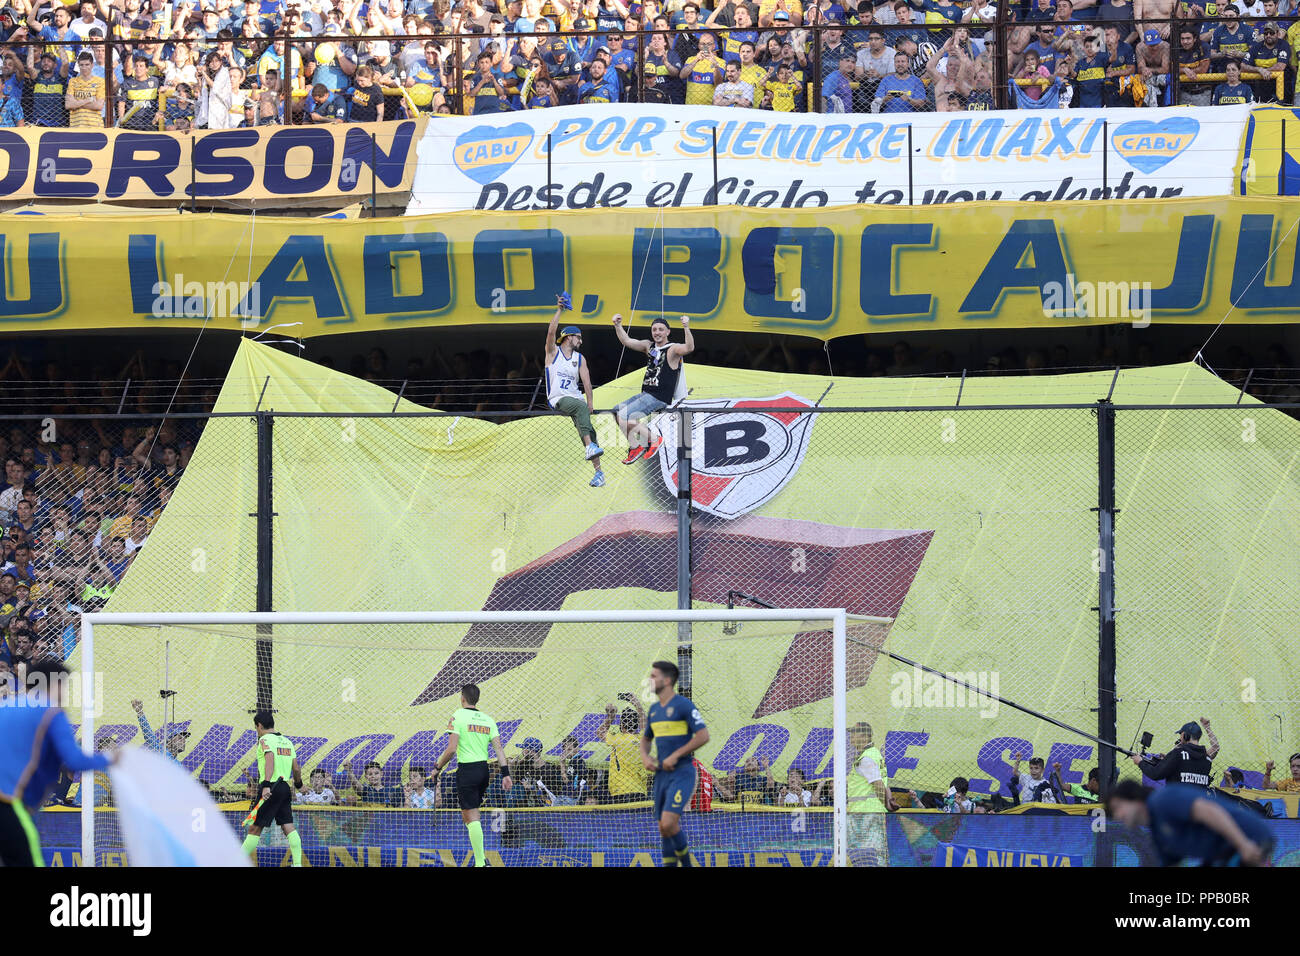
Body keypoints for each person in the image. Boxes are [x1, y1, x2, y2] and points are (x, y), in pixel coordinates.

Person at [0, 660, 118, 866]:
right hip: (11, 803)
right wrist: (111, 758)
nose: (65, 692)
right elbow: (74, 760)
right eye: (64, 685)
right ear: (52, 684)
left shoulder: (5, 707)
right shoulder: (50, 712)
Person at [431, 682, 513, 867]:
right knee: (469, 816)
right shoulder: (488, 719)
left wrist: (438, 767)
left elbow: (451, 749)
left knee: (471, 816)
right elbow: (499, 749)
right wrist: (505, 774)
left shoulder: (457, 716)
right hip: (483, 771)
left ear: (462, 698)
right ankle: (480, 859)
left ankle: (479, 862)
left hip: (467, 770)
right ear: (477, 699)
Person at [1107, 780, 1274, 866]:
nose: (1116, 816)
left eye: (1118, 807)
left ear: (1135, 799)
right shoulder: (1157, 832)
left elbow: (1210, 811)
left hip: (1249, 839)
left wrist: (1244, 845)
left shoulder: (1162, 800)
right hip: (1224, 854)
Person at [640, 659, 709, 867]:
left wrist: (675, 755)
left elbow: (703, 735)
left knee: (670, 822)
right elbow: (645, 739)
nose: (650, 680)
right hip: (662, 775)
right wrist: (645, 757)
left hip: (682, 772)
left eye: (654, 676)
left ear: (667, 680)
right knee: (663, 828)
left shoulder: (683, 705)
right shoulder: (653, 710)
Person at [610, 313, 693, 464]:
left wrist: (686, 327)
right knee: (616, 412)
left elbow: (689, 347)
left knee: (625, 415)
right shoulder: (649, 346)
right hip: (647, 393)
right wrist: (617, 325)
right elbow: (626, 340)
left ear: (668, 332)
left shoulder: (672, 349)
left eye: (661, 329)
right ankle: (636, 447)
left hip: (659, 396)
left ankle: (654, 440)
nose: (657, 332)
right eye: (654, 329)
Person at [545, 296, 604, 487]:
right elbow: (551, 331)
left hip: (576, 398)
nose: (581, 340)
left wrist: (591, 402)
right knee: (580, 407)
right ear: (570, 337)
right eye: (579, 337)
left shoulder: (579, 358)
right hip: (558, 398)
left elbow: (587, 382)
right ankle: (589, 448)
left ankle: (599, 474)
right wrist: (559, 310)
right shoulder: (553, 352)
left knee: (590, 432)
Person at [241, 710, 304, 866]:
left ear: (259, 725)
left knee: (254, 829)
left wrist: (266, 785)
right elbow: (296, 768)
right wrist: (299, 785)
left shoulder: (264, 740)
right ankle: (297, 864)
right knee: (288, 826)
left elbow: (270, 759)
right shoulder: (287, 742)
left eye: (256, 728)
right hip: (284, 788)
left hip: (270, 787)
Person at [846, 721, 895, 866]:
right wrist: (888, 801)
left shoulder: (866, 758)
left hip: (866, 813)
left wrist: (886, 803)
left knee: (869, 852)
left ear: (864, 735)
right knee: (871, 851)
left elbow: (878, 784)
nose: (851, 736)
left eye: (854, 733)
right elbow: (883, 782)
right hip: (866, 812)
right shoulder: (872, 754)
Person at [1131, 720, 1213, 789]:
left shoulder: (1178, 754)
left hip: (1176, 801)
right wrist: (1169, 759)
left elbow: (1156, 774)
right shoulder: (1207, 759)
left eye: (1180, 734)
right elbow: (1189, 768)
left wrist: (1140, 762)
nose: (1180, 738)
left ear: (1185, 735)